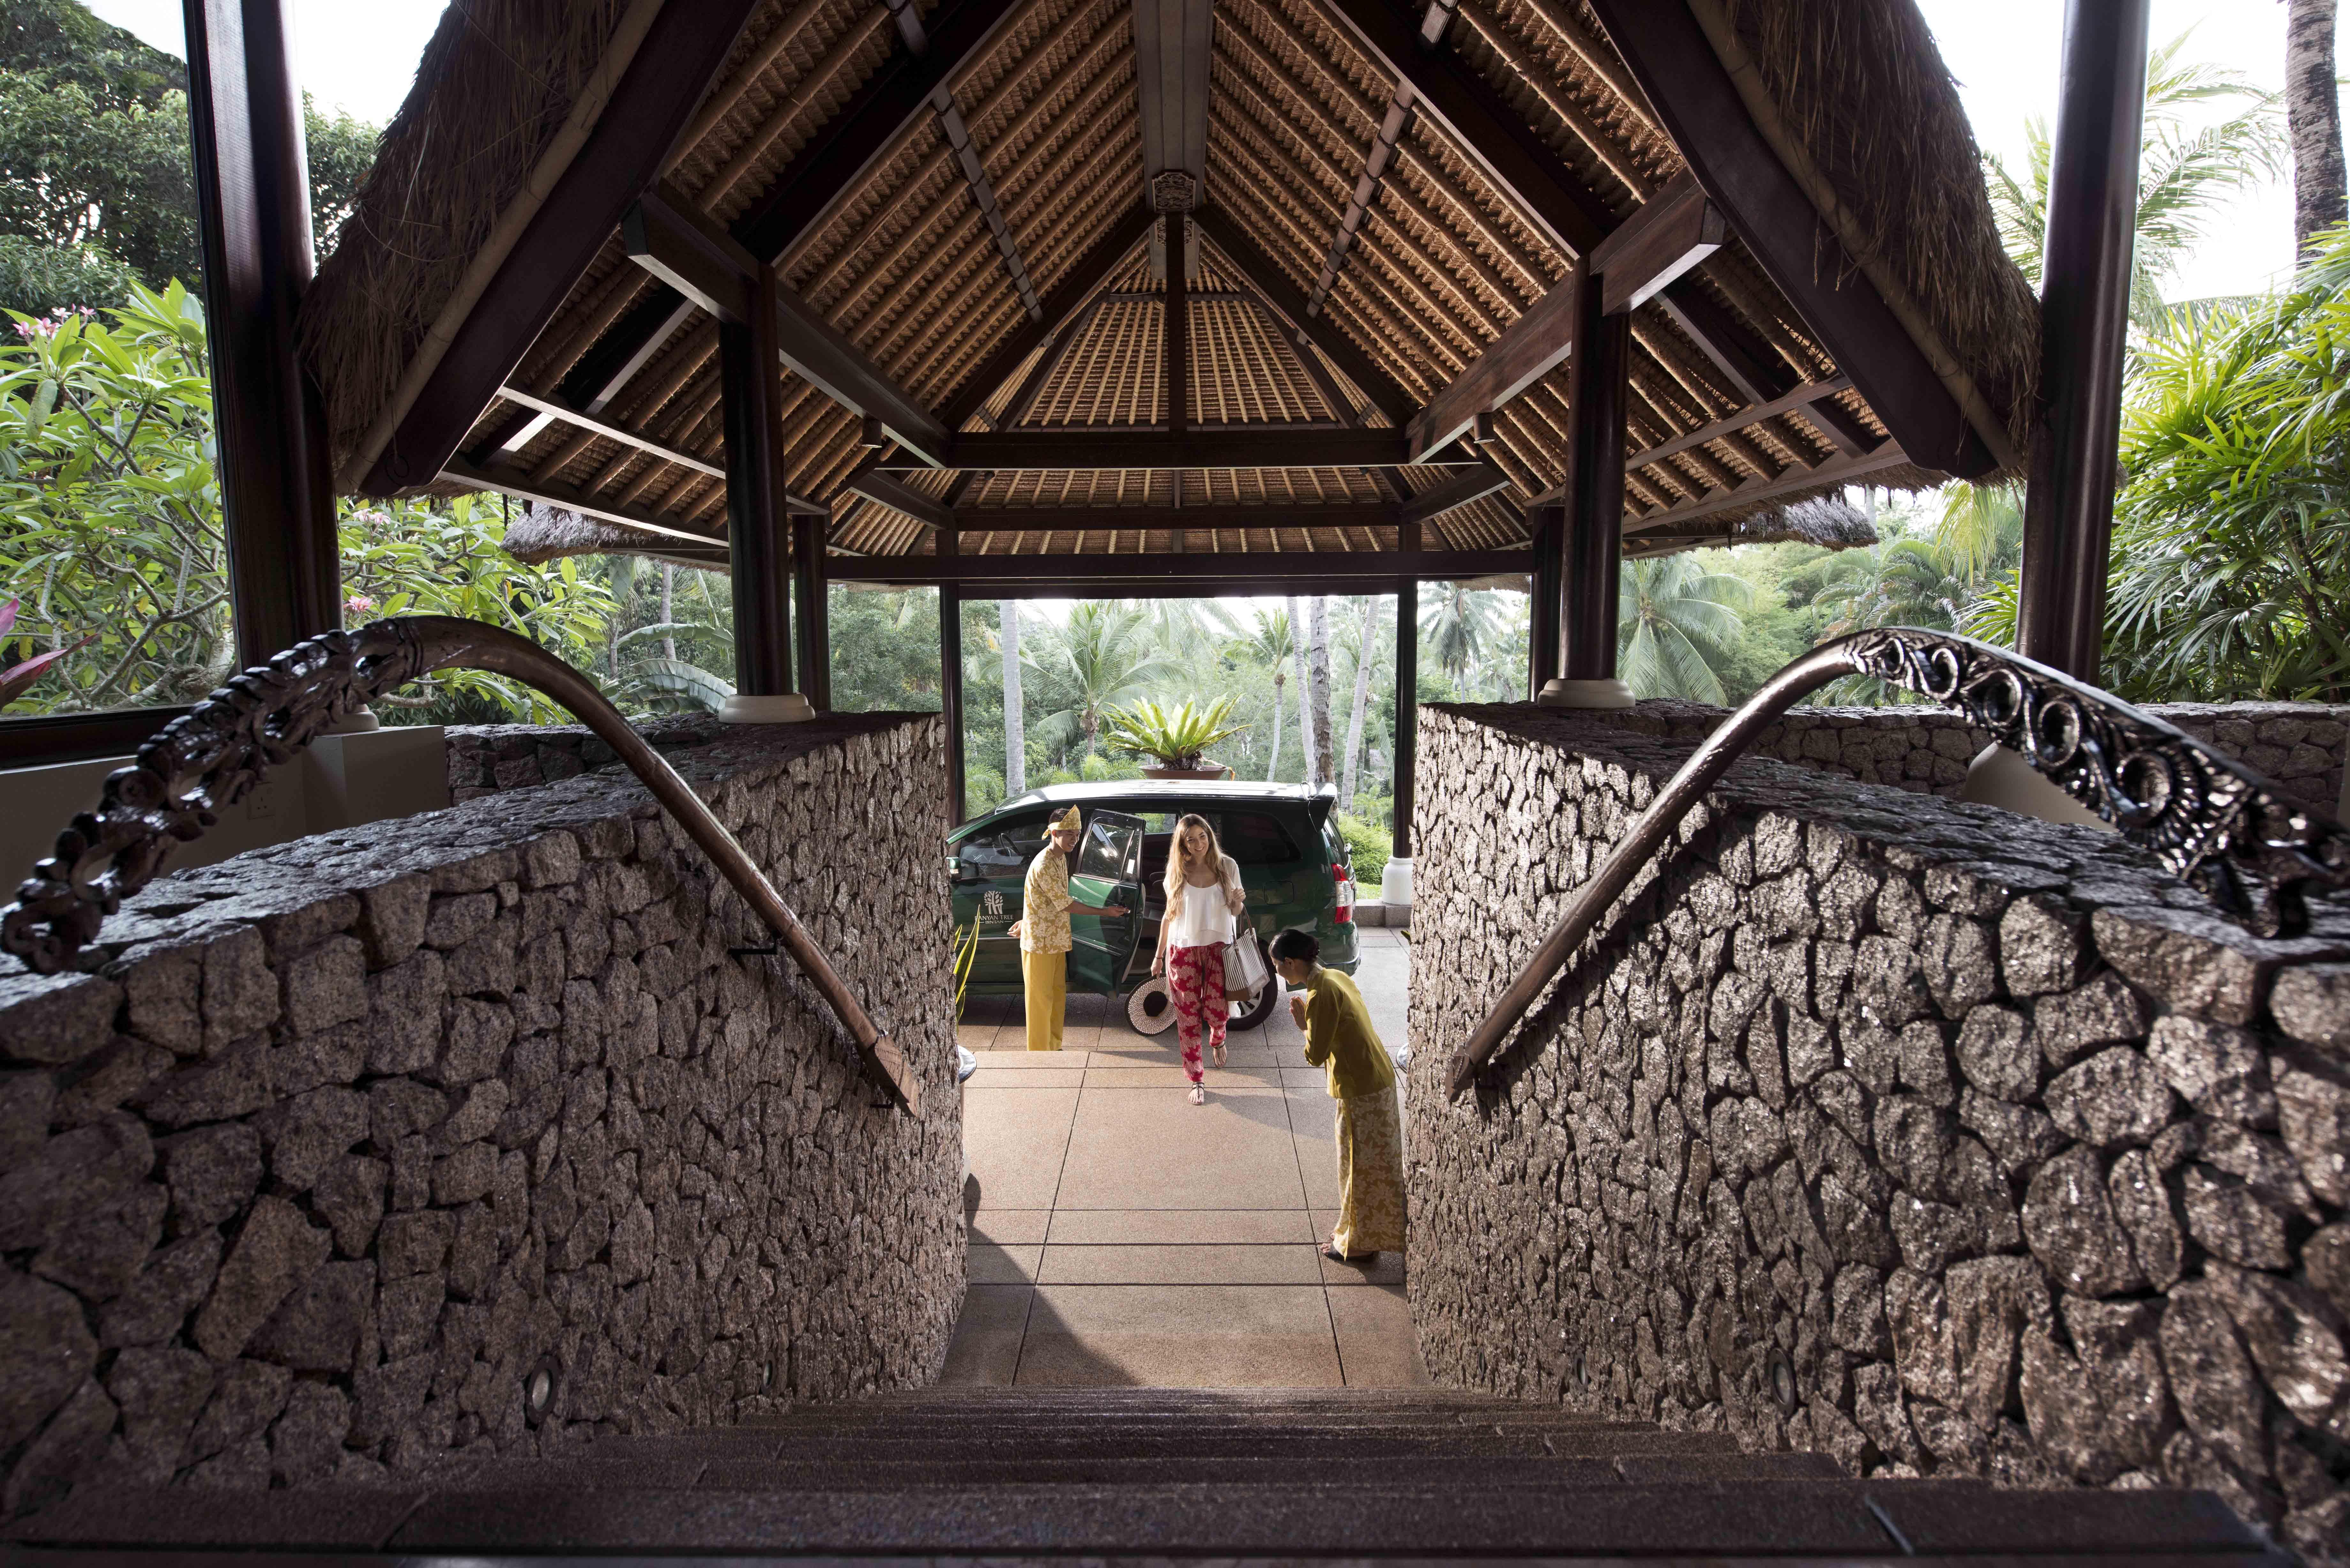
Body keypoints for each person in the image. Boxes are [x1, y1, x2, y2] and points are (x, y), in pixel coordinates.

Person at [1270, 928, 1404, 1261]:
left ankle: (1358, 1243)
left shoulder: (1321, 994)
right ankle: (1356, 1231)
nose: (1275, 970)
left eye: (1276, 964)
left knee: (1357, 1164)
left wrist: (1303, 1026)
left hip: (1359, 1088)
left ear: (1291, 963)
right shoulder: (1335, 977)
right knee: (1373, 1165)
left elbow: (1315, 1055)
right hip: (1376, 1078)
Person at [1007, 806, 1127, 1052]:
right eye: (1069, 833)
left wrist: (1026, 919)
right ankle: (1039, 1052)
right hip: (1040, 943)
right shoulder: (1045, 863)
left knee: (1057, 996)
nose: (1075, 839)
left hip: (1055, 939)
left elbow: (1041, 897)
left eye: (1078, 833)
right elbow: (1065, 904)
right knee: (1040, 1002)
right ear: (1054, 833)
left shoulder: (1059, 857)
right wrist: (1105, 912)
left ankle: (1054, 1046)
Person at [1150, 813, 1246, 1104]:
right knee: (1188, 1020)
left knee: (1219, 1012)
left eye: (1202, 837)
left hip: (1220, 949)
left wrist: (1238, 900)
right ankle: (1196, 1079)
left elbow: (1235, 912)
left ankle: (1218, 1037)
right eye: (1190, 840)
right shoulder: (1177, 872)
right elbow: (1169, 916)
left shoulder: (1227, 867)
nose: (1198, 844)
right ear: (1183, 844)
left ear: (1210, 836)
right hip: (1183, 951)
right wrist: (1159, 956)